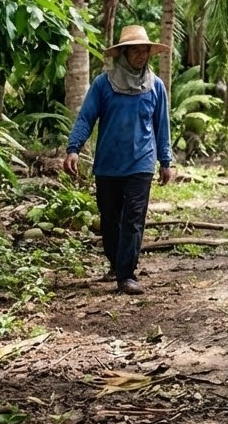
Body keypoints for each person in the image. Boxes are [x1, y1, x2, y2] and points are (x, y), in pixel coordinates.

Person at [64, 25, 173, 296]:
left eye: (145, 50)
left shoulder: (156, 86)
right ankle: (115, 263)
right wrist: (73, 148)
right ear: (123, 53)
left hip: (141, 163)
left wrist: (166, 161)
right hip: (108, 164)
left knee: (134, 218)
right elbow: (86, 117)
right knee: (109, 218)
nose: (141, 55)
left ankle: (127, 274)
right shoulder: (103, 84)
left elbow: (162, 126)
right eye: (135, 50)